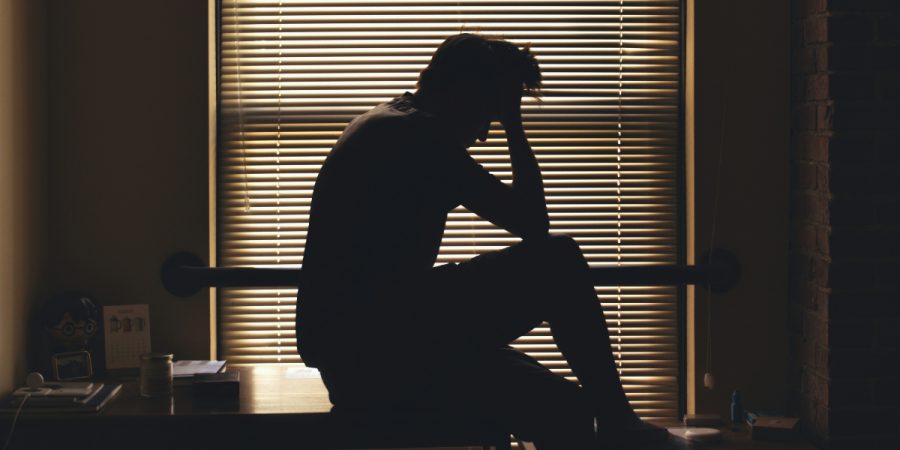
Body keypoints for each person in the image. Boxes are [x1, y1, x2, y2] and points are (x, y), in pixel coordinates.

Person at [297, 33, 667, 449]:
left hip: (366, 346)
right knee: (557, 260)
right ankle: (618, 418)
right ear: (465, 91)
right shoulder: (418, 138)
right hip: (381, 350)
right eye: (489, 111)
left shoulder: (387, 121)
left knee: (566, 406)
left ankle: (614, 418)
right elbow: (532, 222)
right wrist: (514, 121)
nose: (485, 134)